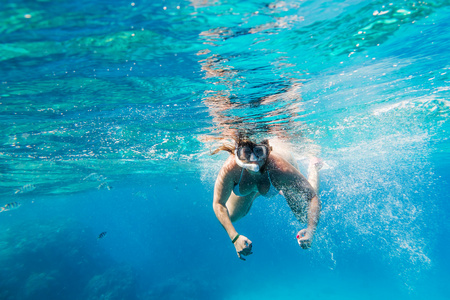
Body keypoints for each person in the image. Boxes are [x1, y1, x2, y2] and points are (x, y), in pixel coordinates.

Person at [212, 137, 322, 260]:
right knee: (231, 216)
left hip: (280, 180)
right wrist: (235, 238)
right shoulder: (231, 168)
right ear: (238, 153)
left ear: (267, 152)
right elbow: (218, 204)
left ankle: (314, 167)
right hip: (252, 185)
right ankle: (257, 191)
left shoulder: (281, 168)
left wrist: (311, 230)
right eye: (247, 153)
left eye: (259, 152)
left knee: (304, 216)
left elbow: (312, 196)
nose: (253, 160)